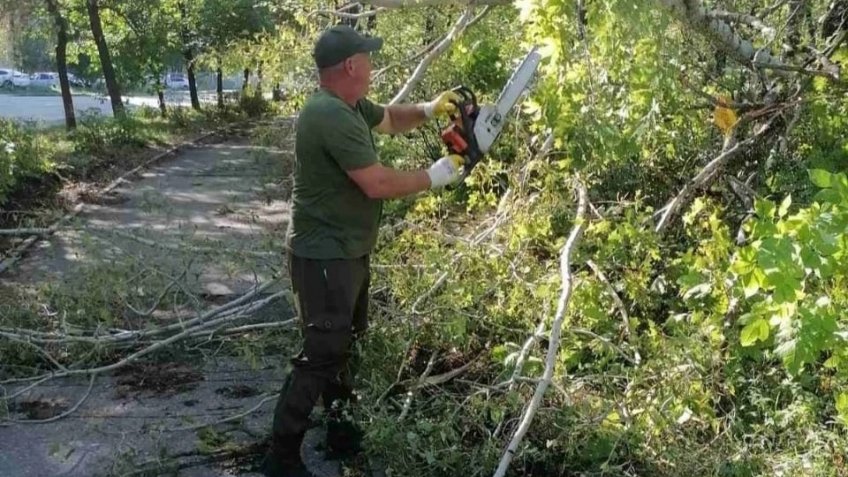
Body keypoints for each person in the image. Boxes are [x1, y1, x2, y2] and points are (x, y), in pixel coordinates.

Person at [260, 24, 465, 477]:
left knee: (343, 345)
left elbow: (391, 119)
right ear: (351, 65)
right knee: (322, 352)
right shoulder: (327, 113)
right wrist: (437, 174)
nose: (372, 66)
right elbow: (377, 183)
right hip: (325, 256)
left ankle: (341, 431)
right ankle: (282, 455)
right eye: (367, 58)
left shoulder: (347, 106)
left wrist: (432, 109)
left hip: (346, 250)